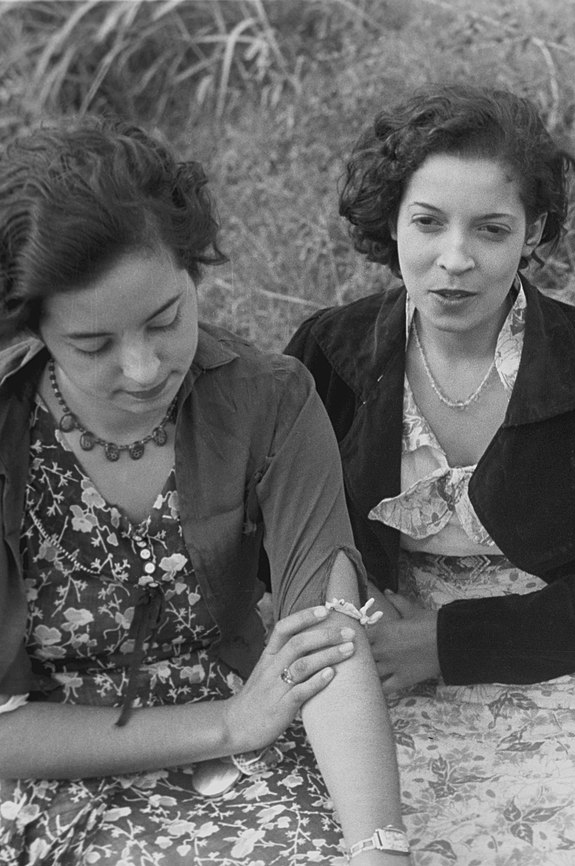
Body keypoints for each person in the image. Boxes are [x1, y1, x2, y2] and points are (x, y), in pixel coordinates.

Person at [283, 84, 575, 864]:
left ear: (534, 231)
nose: (455, 259)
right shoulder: (328, 354)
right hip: (377, 660)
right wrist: (366, 639)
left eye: (491, 229)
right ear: (391, 220)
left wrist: (446, 643)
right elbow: (280, 540)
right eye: (428, 222)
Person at [0, 117, 408, 865]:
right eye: (94, 346)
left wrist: (380, 847)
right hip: (47, 780)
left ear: (195, 272)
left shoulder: (272, 402)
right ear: (36, 333)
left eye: (166, 320)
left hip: (245, 761)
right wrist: (227, 722)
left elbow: (324, 636)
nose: (145, 367)